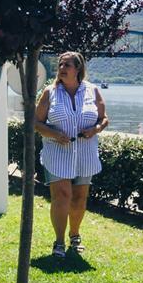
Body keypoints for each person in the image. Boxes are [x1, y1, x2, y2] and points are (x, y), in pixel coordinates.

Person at [33, 51, 109, 258]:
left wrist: (95, 129)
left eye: (67, 65)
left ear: (78, 69)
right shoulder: (50, 92)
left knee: (79, 198)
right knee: (62, 196)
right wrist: (55, 134)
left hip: (85, 154)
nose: (61, 68)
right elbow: (36, 122)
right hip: (57, 152)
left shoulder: (93, 91)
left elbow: (104, 119)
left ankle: (75, 235)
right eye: (60, 64)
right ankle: (59, 241)